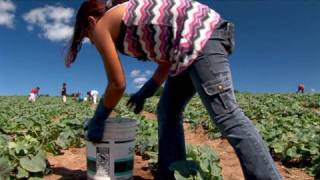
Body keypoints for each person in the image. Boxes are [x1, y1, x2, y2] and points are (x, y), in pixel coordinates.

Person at [65, 0, 282, 179]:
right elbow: (166, 61)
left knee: (226, 115)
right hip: (185, 49)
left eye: (87, 36)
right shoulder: (127, 18)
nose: (92, 42)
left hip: (201, 37)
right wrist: (148, 89)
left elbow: (117, 84)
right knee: (167, 111)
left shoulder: (103, 24)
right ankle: (171, 174)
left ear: (91, 21)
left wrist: (100, 116)